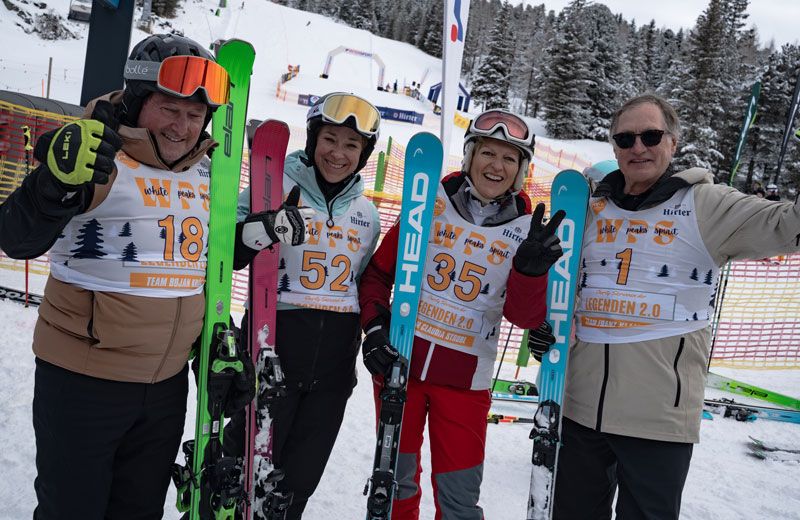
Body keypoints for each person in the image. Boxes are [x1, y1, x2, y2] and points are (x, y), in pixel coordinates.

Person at [0, 33, 309, 519]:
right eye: (170, 108)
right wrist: (50, 185)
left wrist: (259, 235)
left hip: (165, 389)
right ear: (139, 100)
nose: (182, 127)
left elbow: (206, 261)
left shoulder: (206, 173)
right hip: (86, 381)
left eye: (194, 115)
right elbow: (16, 238)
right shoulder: (97, 156)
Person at [553, 93, 800, 519]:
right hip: (581, 405)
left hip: (657, 418)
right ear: (613, 147)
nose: (638, 147)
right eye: (625, 138)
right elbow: (560, 287)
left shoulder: (706, 205)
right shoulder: (592, 206)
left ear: (673, 142)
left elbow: (785, 225)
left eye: (651, 135)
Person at [358, 109, 564, 519]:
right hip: (402, 367)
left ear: (521, 170)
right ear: (469, 156)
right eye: (488, 152)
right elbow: (378, 275)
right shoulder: (429, 203)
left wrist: (529, 270)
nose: (496, 166)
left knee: (458, 499)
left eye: (510, 158)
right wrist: (375, 328)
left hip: (467, 381)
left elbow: (524, 318)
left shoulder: (528, 229)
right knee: (394, 483)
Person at [227, 92, 383, 518]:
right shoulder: (272, 185)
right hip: (273, 350)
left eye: (352, 145)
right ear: (314, 139)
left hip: (333, 369)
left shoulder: (367, 215)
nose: (338, 153)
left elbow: (367, 284)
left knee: (297, 485)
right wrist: (266, 226)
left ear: (364, 154)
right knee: (244, 471)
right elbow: (227, 249)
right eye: (330, 139)